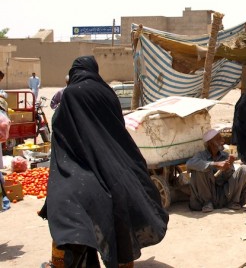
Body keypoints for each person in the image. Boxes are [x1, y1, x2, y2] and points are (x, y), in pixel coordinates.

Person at [43, 56, 168, 267]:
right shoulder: (108, 93)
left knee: (62, 210)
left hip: (80, 175)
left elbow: (61, 131)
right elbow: (116, 128)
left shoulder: (72, 93)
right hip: (118, 169)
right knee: (122, 215)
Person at [186, 127, 246, 212]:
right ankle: (207, 203)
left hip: (223, 194)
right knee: (201, 168)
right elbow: (189, 164)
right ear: (210, 143)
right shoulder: (201, 155)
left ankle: (233, 201)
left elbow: (229, 179)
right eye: (219, 138)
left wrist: (228, 167)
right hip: (206, 194)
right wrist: (214, 165)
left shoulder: (225, 155)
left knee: (245, 169)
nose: (223, 141)